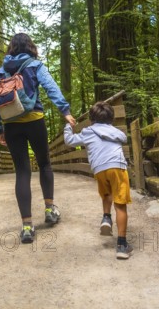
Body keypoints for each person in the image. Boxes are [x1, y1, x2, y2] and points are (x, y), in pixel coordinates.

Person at [0, 33, 76, 244]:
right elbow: (51, 87)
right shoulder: (35, 65)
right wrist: (64, 110)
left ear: (11, 48)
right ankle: (49, 210)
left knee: (22, 171)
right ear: (30, 47)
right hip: (35, 120)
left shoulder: (3, 69)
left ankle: (27, 227)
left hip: (11, 124)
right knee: (44, 164)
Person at [63, 101, 133, 259]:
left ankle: (106, 217)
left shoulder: (87, 132)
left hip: (99, 169)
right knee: (120, 205)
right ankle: (122, 245)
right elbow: (123, 138)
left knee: (107, 194)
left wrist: (68, 126)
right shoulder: (115, 131)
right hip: (117, 166)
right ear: (111, 119)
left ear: (92, 119)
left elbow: (69, 141)